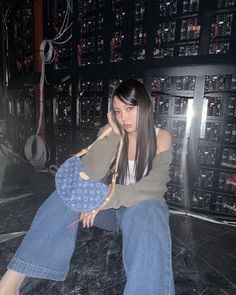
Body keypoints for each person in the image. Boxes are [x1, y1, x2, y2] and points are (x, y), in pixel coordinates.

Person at [0, 79, 175, 295]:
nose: (123, 118)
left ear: (145, 106)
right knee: (66, 194)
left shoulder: (161, 137)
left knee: (147, 211)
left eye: (130, 109)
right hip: (109, 211)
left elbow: (153, 188)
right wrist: (113, 136)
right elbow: (88, 174)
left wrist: (102, 200)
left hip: (139, 209)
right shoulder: (109, 131)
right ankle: (12, 280)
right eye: (117, 111)